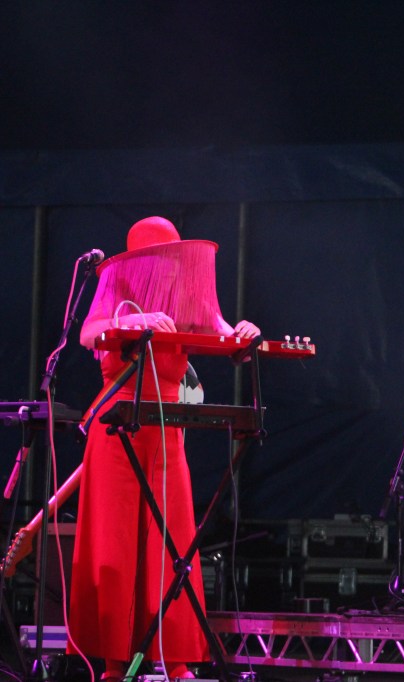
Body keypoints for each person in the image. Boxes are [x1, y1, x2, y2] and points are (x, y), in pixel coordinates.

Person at [68, 216, 260, 680]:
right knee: (115, 544)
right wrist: (134, 320)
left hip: (167, 428)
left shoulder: (184, 297)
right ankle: (113, 664)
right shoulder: (118, 292)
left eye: (173, 261)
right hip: (118, 430)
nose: (170, 269)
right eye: (162, 260)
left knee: (172, 541)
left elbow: (223, 332)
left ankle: (177, 661)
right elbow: (89, 334)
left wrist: (245, 332)